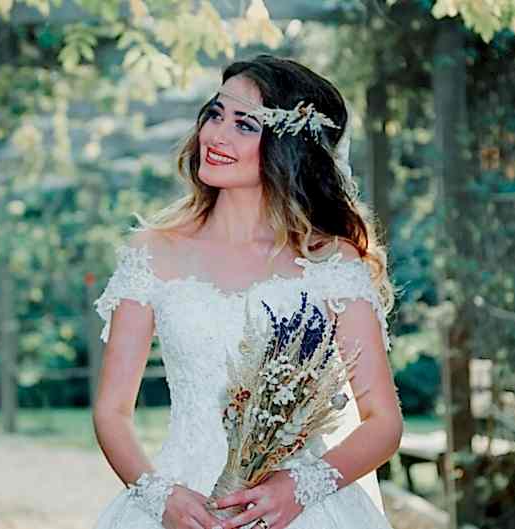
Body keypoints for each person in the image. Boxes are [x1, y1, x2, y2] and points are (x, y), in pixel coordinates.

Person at [92, 54, 402, 529]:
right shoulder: (152, 253)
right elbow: (112, 411)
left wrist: (299, 488)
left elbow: (382, 421)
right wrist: (160, 497)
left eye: (244, 125)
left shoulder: (330, 263)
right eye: (216, 114)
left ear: (287, 147)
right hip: (183, 502)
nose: (216, 136)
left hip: (299, 511)